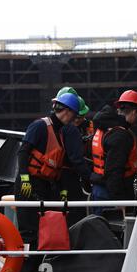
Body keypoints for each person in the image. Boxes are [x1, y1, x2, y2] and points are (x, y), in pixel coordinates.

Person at [13, 92, 80, 272]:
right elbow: (23, 152)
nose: (74, 120)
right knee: (29, 234)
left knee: (45, 234)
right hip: (29, 185)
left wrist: (62, 192)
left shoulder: (59, 133)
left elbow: (56, 167)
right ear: (66, 112)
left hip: (44, 186)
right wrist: (24, 177)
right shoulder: (40, 126)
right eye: (74, 116)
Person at [90, 90, 137, 216]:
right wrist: (119, 200)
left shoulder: (105, 127)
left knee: (99, 230)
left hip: (100, 189)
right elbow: (114, 170)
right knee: (113, 233)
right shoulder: (120, 136)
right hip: (110, 195)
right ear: (134, 112)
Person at [55, 88, 92, 227]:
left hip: (62, 177)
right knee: (74, 211)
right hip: (66, 177)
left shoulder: (54, 127)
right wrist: (91, 177)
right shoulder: (70, 131)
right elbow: (76, 159)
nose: (79, 120)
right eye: (77, 117)